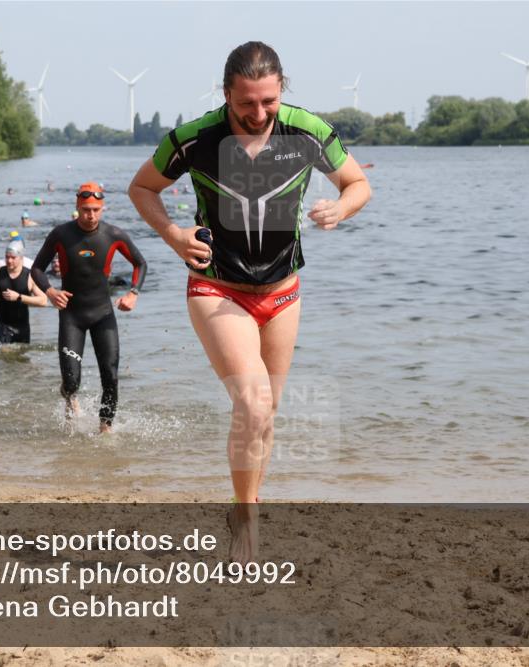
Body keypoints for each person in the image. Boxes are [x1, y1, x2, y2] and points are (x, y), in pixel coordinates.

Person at [128, 41, 371, 561]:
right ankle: (247, 522)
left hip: (283, 292)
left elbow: (357, 183)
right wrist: (173, 235)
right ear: (226, 95)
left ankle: (248, 501)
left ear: (282, 90)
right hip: (217, 286)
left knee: (267, 412)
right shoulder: (195, 138)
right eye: (246, 104)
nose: (259, 114)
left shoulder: (306, 130)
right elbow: (142, 188)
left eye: (268, 102)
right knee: (253, 402)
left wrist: (340, 210)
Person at [30, 182, 147, 433]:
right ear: (77, 206)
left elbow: (140, 263)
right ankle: (70, 398)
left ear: (102, 209)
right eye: (85, 209)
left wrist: (133, 293)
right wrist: (50, 291)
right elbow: (37, 268)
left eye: (95, 209)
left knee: (111, 376)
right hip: (72, 316)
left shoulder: (113, 235)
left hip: (103, 314)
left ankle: (105, 429)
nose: (90, 215)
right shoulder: (61, 235)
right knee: (72, 381)